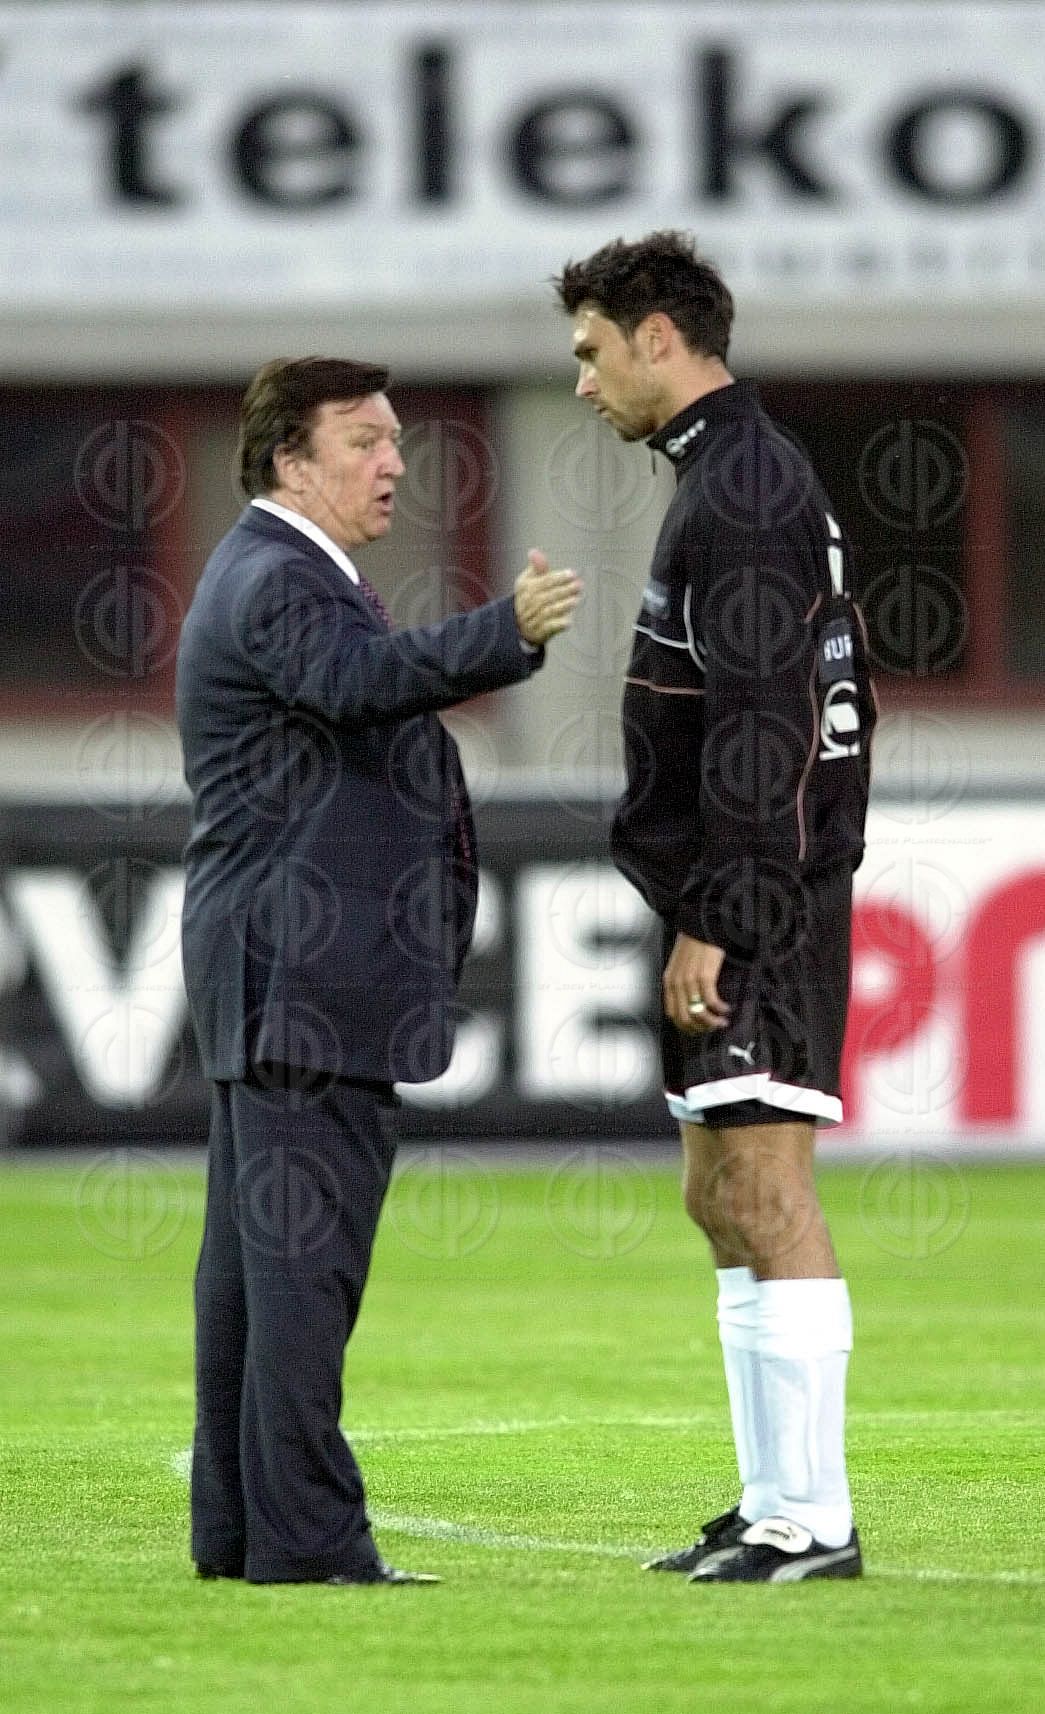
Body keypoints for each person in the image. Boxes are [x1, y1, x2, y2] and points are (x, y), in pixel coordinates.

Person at [175, 356, 582, 1586]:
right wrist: (504, 631)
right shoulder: (277, 576)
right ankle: (306, 1538)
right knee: (304, 1275)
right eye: (363, 440)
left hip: (281, 975)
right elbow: (353, 684)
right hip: (306, 978)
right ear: (289, 460)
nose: (394, 462)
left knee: (252, 1280)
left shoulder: (277, 570)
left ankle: (242, 1528)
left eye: (396, 439)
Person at [555, 233, 875, 1583]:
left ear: (658, 338)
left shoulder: (741, 490)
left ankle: (813, 1519)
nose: (582, 383)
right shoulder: (730, 473)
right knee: (717, 1192)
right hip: (732, 886)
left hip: (761, 899)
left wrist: (721, 912)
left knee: (764, 1185)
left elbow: (763, 727)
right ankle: (768, 1501)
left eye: (591, 353)